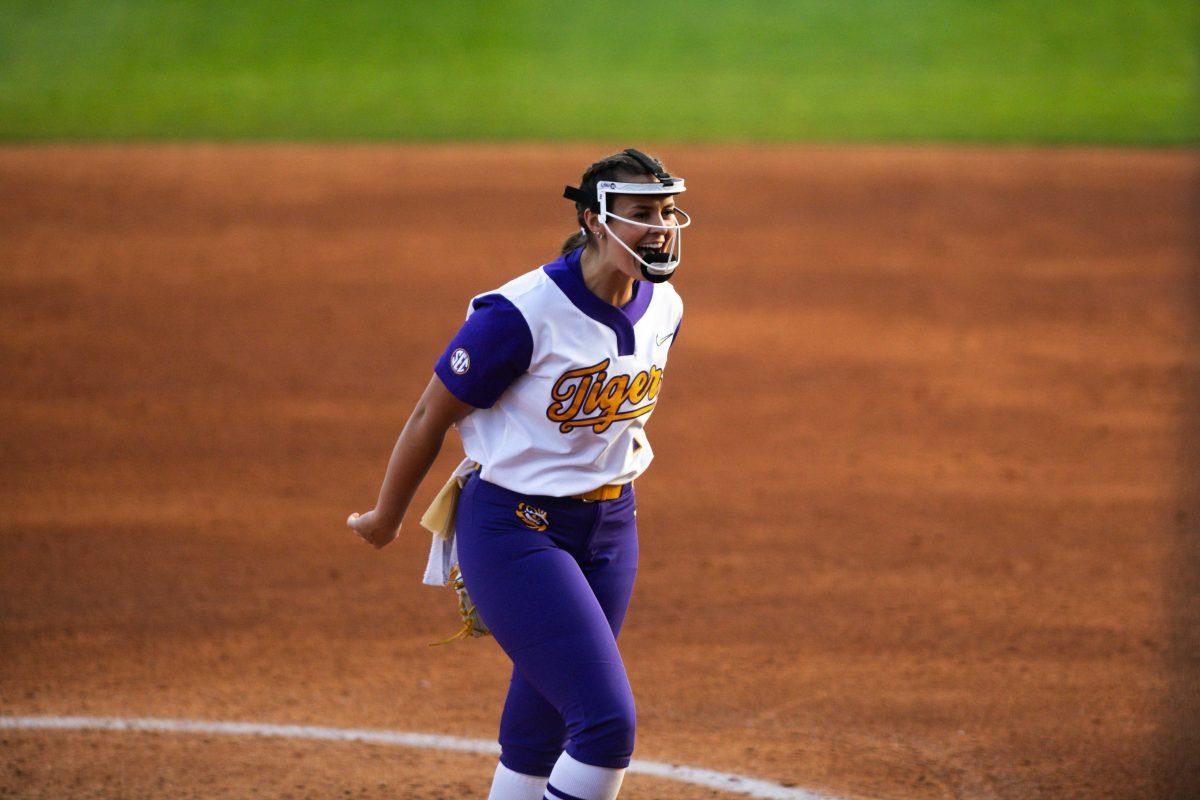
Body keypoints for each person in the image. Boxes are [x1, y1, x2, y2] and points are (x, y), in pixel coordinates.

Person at [346, 148, 691, 800]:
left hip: (613, 529)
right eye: (641, 214)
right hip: (515, 528)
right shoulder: (521, 315)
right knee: (606, 726)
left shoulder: (665, 307)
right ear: (595, 220)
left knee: (543, 732)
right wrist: (386, 517)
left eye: (667, 211)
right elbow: (429, 414)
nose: (660, 227)